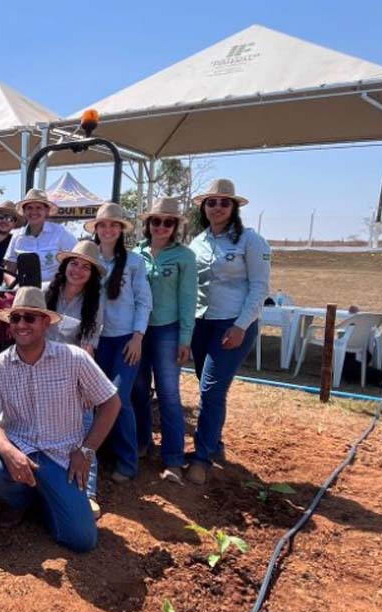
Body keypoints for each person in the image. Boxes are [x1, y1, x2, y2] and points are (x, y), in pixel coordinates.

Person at [0, 287, 120, 552]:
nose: (21, 324)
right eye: (15, 318)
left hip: (63, 457)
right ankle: (22, 500)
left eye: (30, 318)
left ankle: (48, 500)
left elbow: (111, 402)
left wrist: (87, 451)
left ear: (45, 323)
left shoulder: (73, 358)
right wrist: (8, 451)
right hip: (22, 449)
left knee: (82, 541)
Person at [187, 179, 270, 484]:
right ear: (204, 207)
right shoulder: (197, 243)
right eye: (212, 202)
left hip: (232, 324)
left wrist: (240, 325)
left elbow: (260, 287)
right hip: (201, 323)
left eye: (224, 202)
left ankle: (202, 457)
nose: (217, 207)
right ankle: (215, 444)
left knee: (211, 389)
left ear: (233, 207)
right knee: (207, 385)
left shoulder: (250, 240)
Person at [131, 198, 198, 485]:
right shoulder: (136, 254)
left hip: (168, 331)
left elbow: (188, 299)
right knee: (139, 389)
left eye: (168, 222)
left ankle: (173, 458)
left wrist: (185, 337)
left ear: (176, 226)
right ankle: (143, 443)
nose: (161, 227)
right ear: (148, 224)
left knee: (169, 394)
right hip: (138, 331)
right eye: (156, 221)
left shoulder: (184, 257)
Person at [87, 203, 152, 483]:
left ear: (121, 230)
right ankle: (104, 450)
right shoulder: (90, 259)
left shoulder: (135, 262)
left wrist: (138, 337)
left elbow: (143, 300)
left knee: (118, 398)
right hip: (99, 339)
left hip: (126, 339)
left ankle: (128, 460)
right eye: (103, 225)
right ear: (97, 229)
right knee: (95, 397)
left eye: (114, 225)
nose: (108, 229)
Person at [45, 240, 105, 516]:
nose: (78, 270)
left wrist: (77, 381)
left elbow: (89, 345)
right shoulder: (46, 292)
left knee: (85, 421)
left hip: (74, 367)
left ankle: (88, 491)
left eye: (85, 267)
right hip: (40, 366)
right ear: (64, 266)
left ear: (92, 274)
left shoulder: (95, 301)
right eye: (74, 263)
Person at [4, 188, 76, 284]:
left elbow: (76, 259)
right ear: (24, 212)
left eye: (39, 207)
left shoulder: (61, 233)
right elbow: (9, 271)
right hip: (24, 291)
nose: (34, 212)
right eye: (29, 208)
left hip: (53, 292)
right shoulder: (16, 236)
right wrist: (15, 287)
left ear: (47, 211)